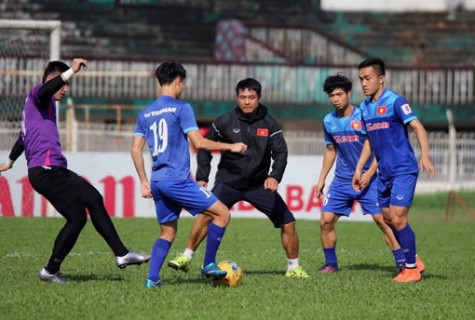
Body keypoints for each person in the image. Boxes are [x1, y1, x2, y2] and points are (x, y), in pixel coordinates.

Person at [0, 59, 150, 284]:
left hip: (56, 169)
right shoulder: (36, 94)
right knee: (77, 218)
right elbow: (45, 91)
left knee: (93, 198)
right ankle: (50, 271)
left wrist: (10, 161)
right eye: (64, 84)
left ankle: (121, 254)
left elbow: (23, 137)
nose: (66, 89)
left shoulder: (42, 108)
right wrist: (72, 70)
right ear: (51, 80)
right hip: (45, 170)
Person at [167, 78, 309, 278]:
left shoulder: (270, 123)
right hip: (228, 182)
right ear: (237, 98)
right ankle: (187, 257)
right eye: (243, 97)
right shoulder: (224, 121)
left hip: (258, 185)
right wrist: (202, 176)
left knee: (288, 222)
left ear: (259, 98)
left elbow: (281, 152)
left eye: (251, 97)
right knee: (207, 214)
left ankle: (294, 268)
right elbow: (204, 147)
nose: (247, 101)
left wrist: (274, 176)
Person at [131, 62, 247, 288]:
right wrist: (231, 147)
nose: (182, 87)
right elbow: (198, 142)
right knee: (222, 214)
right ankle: (208, 264)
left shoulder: (145, 113)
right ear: (177, 81)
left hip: (157, 181)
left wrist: (144, 181)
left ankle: (152, 279)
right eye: (182, 83)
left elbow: (135, 149)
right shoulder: (181, 108)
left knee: (167, 231)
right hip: (177, 180)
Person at [353, 57, 435, 283]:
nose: (363, 83)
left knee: (398, 218)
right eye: (360, 79)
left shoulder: (395, 101)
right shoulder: (365, 108)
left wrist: (425, 155)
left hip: (403, 169)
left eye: (368, 78)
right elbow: (370, 141)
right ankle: (414, 259)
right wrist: (361, 169)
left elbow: (418, 127)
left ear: (381, 79)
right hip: (384, 173)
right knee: (388, 218)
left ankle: (410, 270)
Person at [315, 74, 405, 273]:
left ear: (348, 94)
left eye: (339, 94)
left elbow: (378, 146)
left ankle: (402, 264)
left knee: (383, 220)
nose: (336, 99)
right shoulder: (329, 120)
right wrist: (321, 179)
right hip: (341, 181)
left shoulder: (363, 116)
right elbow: (331, 150)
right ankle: (331, 264)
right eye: (332, 95)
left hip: (369, 180)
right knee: (325, 221)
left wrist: (369, 172)